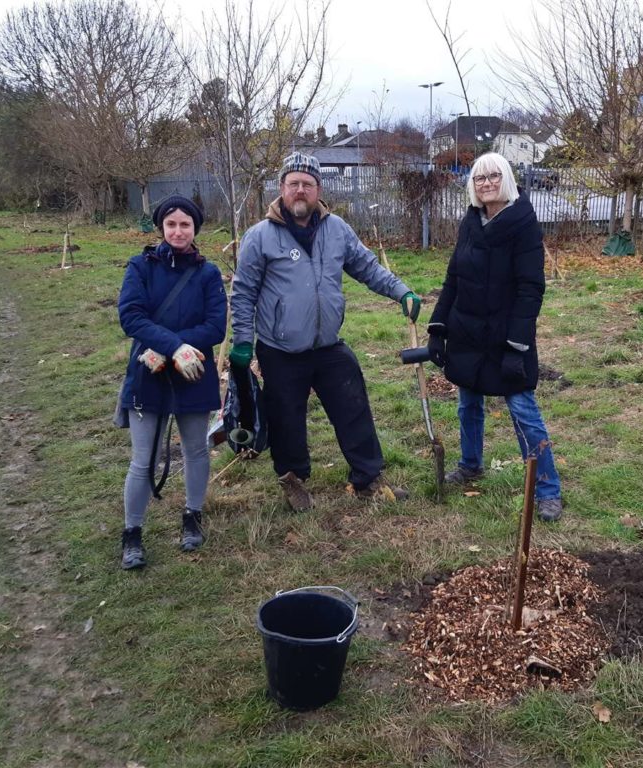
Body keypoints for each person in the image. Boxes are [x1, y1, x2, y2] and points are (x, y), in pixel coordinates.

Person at [229, 152, 421, 511]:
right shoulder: (260, 237)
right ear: (281, 189)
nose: (300, 190)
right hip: (281, 349)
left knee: (353, 405)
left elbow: (367, 267)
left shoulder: (337, 230)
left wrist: (402, 292)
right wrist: (242, 341)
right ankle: (293, 480)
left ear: (318, 189)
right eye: (293, 184)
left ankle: (368, 478)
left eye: (307, 184)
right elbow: (243, 294)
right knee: (286, 418)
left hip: (327, 345)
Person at [426, 152, 563, 522]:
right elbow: (453, 277)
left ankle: (547, 487)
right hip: (467, 331)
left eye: (493, 176)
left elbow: (531, 288)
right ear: (472, 185)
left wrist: (518, 345)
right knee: (468, 402)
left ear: (507, 180)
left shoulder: (523, 224)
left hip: (506, 336)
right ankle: (471, 464)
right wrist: (438, 328)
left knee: (522, 409)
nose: (486, 183)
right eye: (479, 178)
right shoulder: (470, 222)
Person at [117, 195, 228, 568]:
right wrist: (171, 346)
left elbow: (216, 326)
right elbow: (131, 316)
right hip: (147, 371)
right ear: (161, 227)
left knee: (196, 449)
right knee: (142, 458)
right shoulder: (140, 267)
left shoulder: (209, 274)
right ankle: (132, 534)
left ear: (195, 229)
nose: (178, 231)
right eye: (171, 224)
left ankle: (192, 517)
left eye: (185, 225)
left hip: (194, 372)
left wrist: (183, 350)